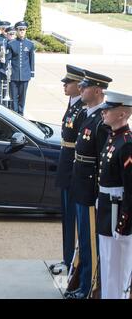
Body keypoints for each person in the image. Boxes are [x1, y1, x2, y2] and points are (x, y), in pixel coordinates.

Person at [66, 70, 112, 299]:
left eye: (85, 87)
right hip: (80, 186)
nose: (80, 89)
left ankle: (88, 289)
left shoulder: (101, 122)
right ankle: (81, 283)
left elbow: (102, 163)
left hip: (90, 190)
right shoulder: (89, 115)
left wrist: (97, 193)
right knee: (83, 240)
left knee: (90, 242)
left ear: (97, 90)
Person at [50, 65, 87, 276]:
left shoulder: (82, 108)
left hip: (73, 167)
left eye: (69, 82)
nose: (64, 85)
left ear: (79, 86)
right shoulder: (74, 105)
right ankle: (67, 257)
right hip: (67, 165)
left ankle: (74, 259)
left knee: (75, 217)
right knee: (67, 217)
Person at [97, 90, 132, 299]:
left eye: (109, 110)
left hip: (117, 212)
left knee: (118, 268)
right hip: (107, 209)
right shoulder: (113, 138)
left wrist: (124, 221)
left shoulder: (126, 143)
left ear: (122, 114)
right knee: (108, 265)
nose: (104, 113)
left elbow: (130, 188)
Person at [6, 21, 35, 115]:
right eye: (20, 29)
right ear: (16, 30)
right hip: (14, 74)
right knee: (14, 97)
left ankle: (21, 114)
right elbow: (7, 59)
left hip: (25, 75)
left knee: (22, 97)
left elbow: (32, 59)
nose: (22, 31)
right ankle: (15, 114)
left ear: (26, 30)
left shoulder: (30, 44)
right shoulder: (11, 44)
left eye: (23, 29)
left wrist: (32, 73)